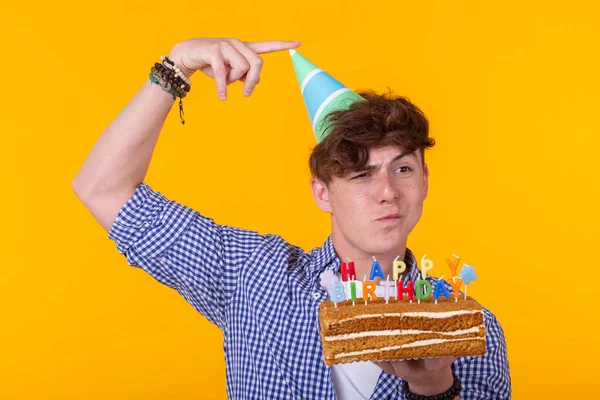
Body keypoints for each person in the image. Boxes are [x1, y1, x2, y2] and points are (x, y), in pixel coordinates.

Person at [73, 37, 511, 400]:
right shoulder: (252, 276)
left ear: (424, 180)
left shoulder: (469, 326)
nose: (387, 193)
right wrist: (176, 67)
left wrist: (433, 387)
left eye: (402, 169)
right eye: (360, 174)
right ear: (322, 191)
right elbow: (102, 188)